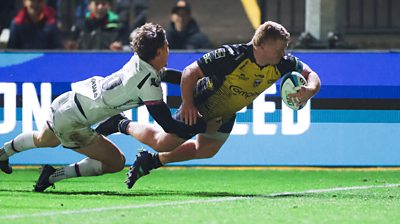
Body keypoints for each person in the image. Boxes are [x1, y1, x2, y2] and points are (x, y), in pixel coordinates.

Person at [96, 21, 321, 189]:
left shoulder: (282, 63)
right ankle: (121, 123)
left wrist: (309, 90)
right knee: (163, 142)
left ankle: (151, 162)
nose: (284, 53)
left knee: (206, 150)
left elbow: (311, 74)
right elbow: (189, 73)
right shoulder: (231, 55)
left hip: (227, 111)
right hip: (203, 103)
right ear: (260, 46)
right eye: (279, 49)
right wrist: (188, 104)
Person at [0, 23, 220, 192]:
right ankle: (52, 176)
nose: (168, 48)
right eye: (167, 45)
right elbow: (168, 125)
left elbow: (166, 75)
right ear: (161, 50)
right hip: (73, 123)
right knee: (116, 162)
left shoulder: (141, 62)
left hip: (67, 102)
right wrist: (203, 125)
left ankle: (4, 152)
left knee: (43, 140)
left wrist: (195, 81)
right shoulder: (146, 84)